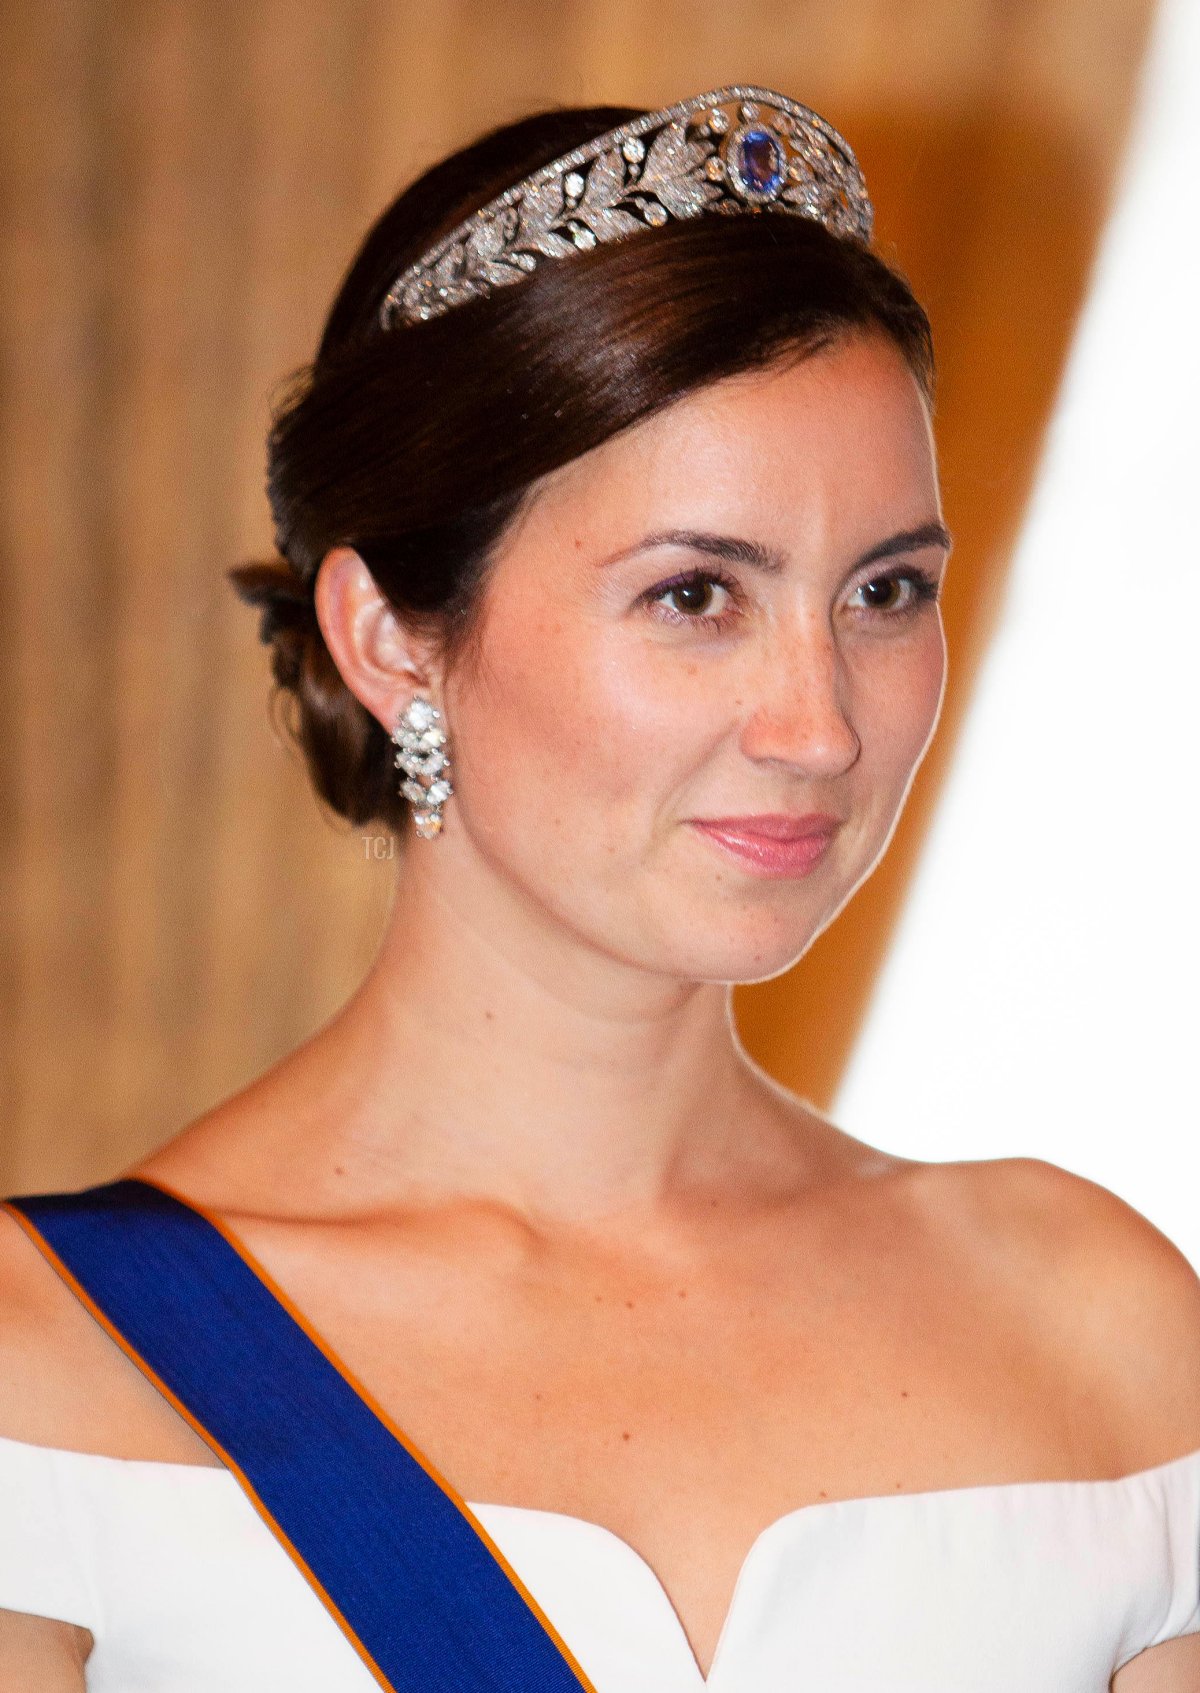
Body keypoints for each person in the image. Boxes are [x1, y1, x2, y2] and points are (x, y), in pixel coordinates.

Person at [1, 85, 1198, 1693]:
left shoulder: (1099, 1330)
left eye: (886, 591)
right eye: (697, 592)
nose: (821, 722)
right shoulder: (53, 1372)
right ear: (389, 638)